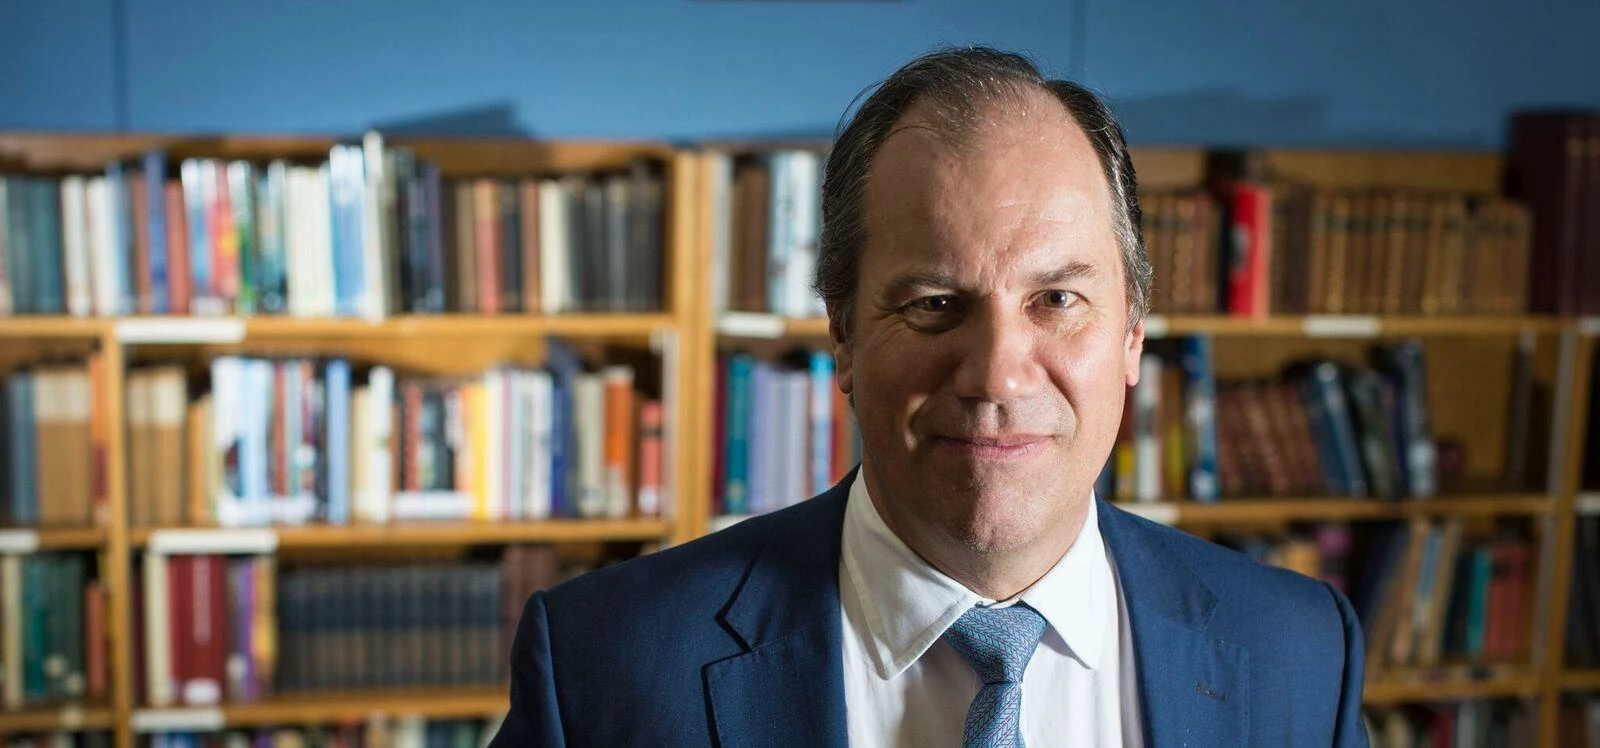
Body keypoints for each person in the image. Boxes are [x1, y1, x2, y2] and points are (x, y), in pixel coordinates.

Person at [491, 46, 1367, 747]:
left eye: (1058, 299)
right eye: (936, 305)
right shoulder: (606, 666)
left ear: (1133, 332)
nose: (996, 376)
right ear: (843, 333)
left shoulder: (1298, 654)